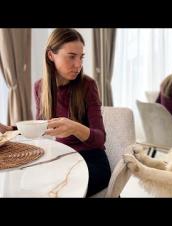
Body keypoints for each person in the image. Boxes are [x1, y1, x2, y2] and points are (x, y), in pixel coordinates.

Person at [0, 28, 111, 197]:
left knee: (57, 191)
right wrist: (10, 129)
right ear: (51, 55)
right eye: (71, 56)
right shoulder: (40, 87)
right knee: (27, 185)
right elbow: (41, 126)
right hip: (62, 156)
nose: (78, 64)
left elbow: (100, 138)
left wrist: (74, 127)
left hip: (92, 161)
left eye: (81, 57)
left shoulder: (88, 85)